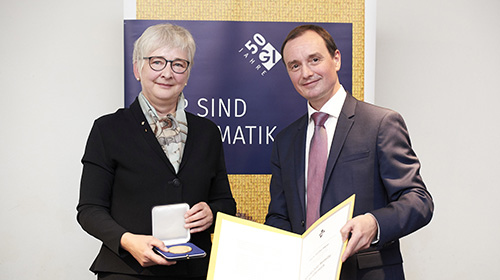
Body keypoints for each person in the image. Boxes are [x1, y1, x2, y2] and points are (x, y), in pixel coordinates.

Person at [264, 24, 433, 279]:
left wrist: (374, 223)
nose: (306, 72)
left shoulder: (380, 123)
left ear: (336, 59)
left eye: (315, 59)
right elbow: (279, 215)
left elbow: (419, 200)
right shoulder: (285, 141)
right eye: (294, 65)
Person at [77, 23, 236, 280]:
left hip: (194, 269)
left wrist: (212, 212)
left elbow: (225, 202)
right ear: (137, 69)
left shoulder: (208, 132)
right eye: (156, 62)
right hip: (127, 270)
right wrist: (128, 241)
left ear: (187, 73)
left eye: (178, 64)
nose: (167, 72)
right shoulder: (108, 129)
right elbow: (90, 209)